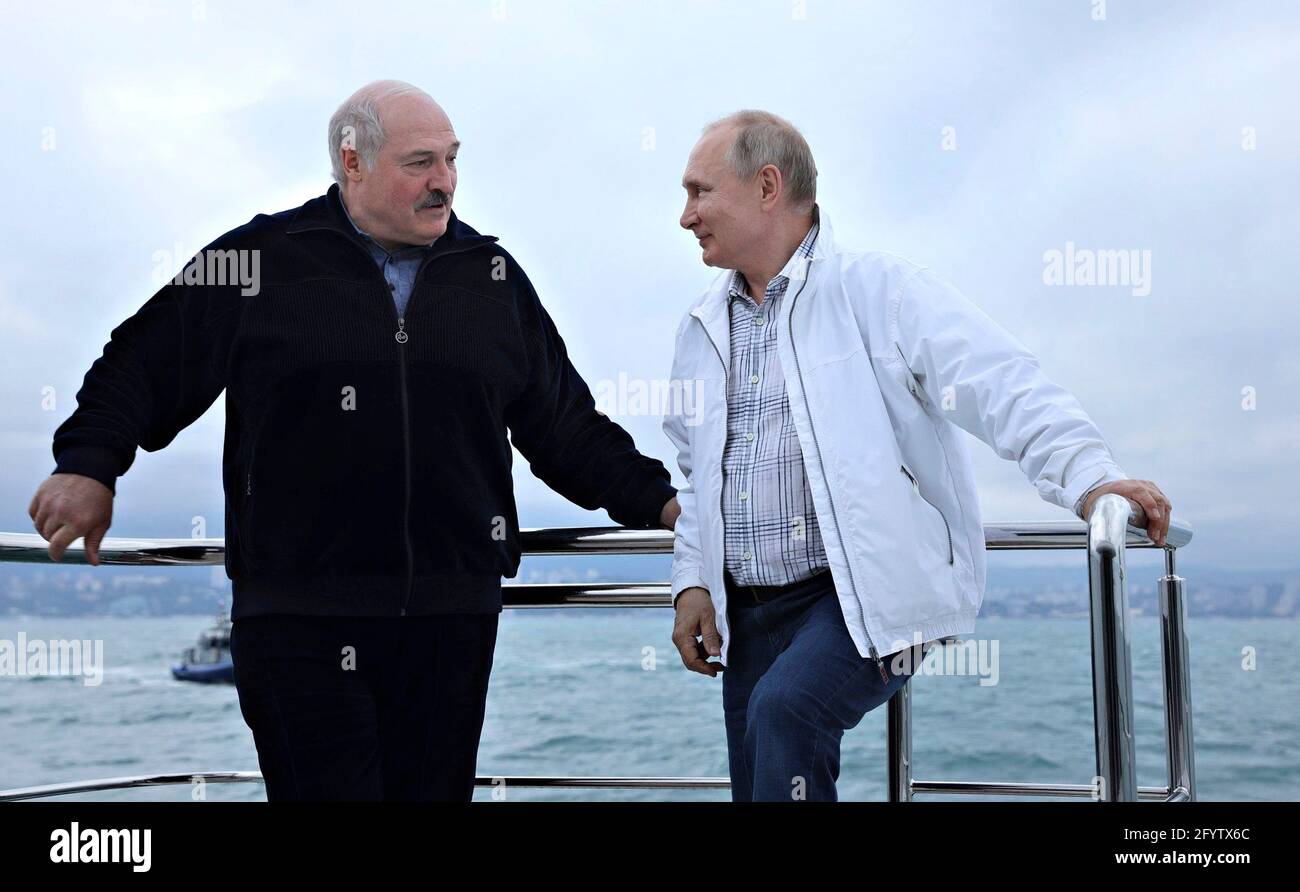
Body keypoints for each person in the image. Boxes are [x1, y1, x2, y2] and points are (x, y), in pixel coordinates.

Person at [28, 79, 680, 801]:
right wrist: (88, 466)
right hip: (299, 618)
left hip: (449, 620)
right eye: (421, 163)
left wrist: (662, 504)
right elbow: (140, 362)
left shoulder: (491, 277)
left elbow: (565, 427)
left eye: (452, 161)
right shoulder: (257, 258)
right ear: (353, 162)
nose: (445, 183)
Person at [663, 110, 1171, 802]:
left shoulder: (882, 293)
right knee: (760, 780)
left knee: (786, 713)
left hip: (855, 597)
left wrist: (1091, 481)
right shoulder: (700, 330)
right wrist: (693, 582)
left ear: (767, 186)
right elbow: (697, 476)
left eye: (699, 191)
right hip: (747, 612)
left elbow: (1003, 384)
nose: (686, 215)